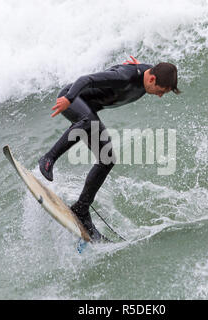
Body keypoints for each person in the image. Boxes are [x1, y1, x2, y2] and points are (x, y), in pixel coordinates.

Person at [39, 56, 180, 241]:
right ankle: (48, 159)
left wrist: (134, 65)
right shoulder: (124, 77)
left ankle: (81, 208)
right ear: (152, 79)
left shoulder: (146, 74)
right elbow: (85, 80)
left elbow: (144, 68)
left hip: (89, 110)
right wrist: (68, 99)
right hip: (73, 97)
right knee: (88, 121)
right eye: (161, 91)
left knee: (108, 158)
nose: (160, 95)